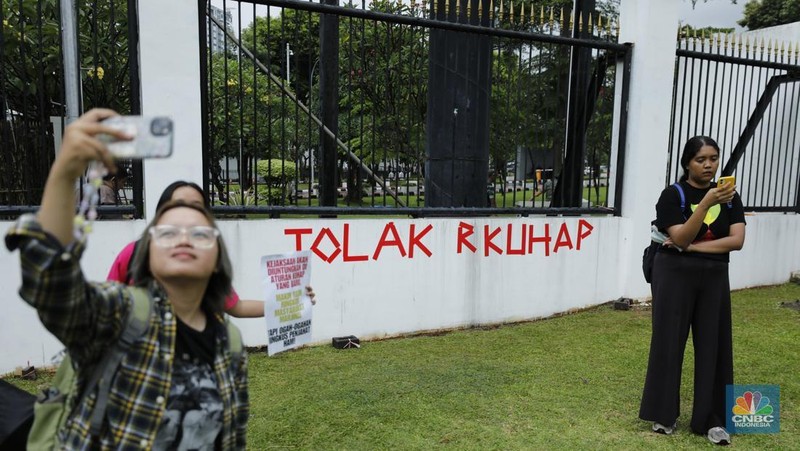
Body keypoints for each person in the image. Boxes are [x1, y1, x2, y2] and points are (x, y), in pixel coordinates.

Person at [5, 109, 248, 448]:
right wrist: (64, 173)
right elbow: (52, 284)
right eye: (167, 232)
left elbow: (231, 437)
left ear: (217, 260)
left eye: (199, 232)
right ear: (146, 253)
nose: (183, 237)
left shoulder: (230, 343)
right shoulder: (119, 313)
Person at [639, 136, 745, 446]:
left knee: (715, 344)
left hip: (714, 275)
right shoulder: (673, 195)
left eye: (714, 158)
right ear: (688, 162)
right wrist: (707, 203)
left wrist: (695, 246)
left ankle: (712, 419)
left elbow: (736, 240)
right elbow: (680, 237)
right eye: (701, 159)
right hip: (673, 274)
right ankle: (664, 414)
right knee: (668, 341)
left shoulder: (730, 197)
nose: (709, 164)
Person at [106, 181, 316, 317]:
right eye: (178, 204)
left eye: (196, 206)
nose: (187, 211)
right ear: (162, 211)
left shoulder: (207, 257)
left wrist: (291, 303)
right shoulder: (133, 253)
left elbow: (236, 306)